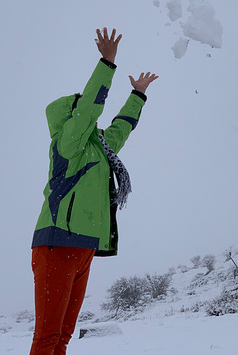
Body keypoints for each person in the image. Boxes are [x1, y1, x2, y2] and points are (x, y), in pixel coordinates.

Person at [29, 28, 158, 355]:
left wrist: (138, 95)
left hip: (84, 247)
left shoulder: (99, 148)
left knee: (63, 337)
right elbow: (89, 109)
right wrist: (107, 63)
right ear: (68, 117)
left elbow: (120, 128)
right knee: (47, 337)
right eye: (77, 110)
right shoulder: (67, 143)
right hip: (56, 243)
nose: (85, 116)